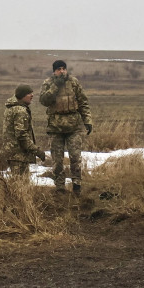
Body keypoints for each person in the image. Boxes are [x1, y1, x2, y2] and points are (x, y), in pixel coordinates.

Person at [39, 60, 93, 194]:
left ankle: (76, 185)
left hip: (73, 127)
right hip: (55, 128)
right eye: (59, 69)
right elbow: (44, 101)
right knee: (57, 161)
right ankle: (60, 187)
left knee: (75, 157)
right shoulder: (48, 83)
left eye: (64, 69)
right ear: (54, 71)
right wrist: (55, 86)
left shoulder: (74, 82)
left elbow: (83, 102)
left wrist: (88, 121)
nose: (62, 71)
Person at [1, 84, 46, 176]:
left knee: (16, 183)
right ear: (22, 95)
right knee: (20, 185)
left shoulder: (11, 108)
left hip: (13, 153)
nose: (32, 95)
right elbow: (22, 136)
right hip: (19, 155)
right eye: (29, 93)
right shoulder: (20, 111)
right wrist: (38, 152)